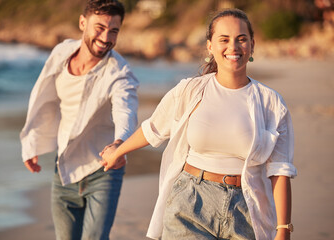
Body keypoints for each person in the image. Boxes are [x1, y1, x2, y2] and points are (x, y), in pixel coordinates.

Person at [100, 8, 296, 240]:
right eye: (224, 39)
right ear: (210, 46)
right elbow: (154, 127)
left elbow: (280, 170)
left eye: (241, 39)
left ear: (252, 45)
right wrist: (118, 151)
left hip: (247, 209)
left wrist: (283, 230)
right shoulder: (190, 90)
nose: (233, 47)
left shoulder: (271, 103)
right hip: (191, 201)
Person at [20, 0, 139, 239]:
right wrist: (32, 142)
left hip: (103, 169)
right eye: (100, 27)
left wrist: (120, 142)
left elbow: (125, 110)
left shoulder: (120, 73)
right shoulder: (62, 52)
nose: (106, 37)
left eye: (114, 30)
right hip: (63, 167)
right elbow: (45, 99)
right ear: (82, 23)